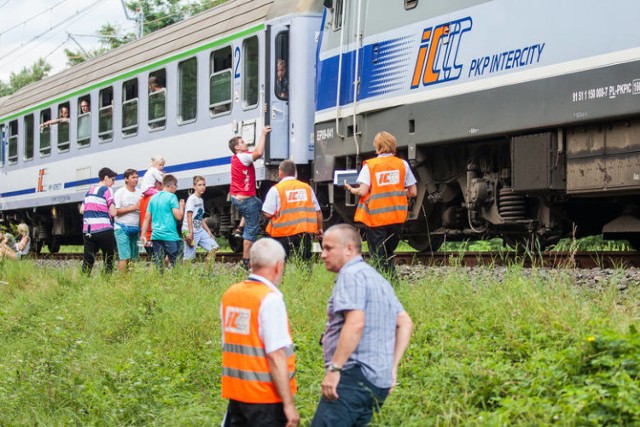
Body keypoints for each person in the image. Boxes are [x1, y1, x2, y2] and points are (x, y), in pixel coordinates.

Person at [311, 224, 413, 427]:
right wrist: (391, 368)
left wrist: (335, 369)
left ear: (349, 248)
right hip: (377, 381)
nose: (323, 255)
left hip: (352, 378)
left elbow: (355, 322)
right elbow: (405, 322)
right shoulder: (376, 278)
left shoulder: (350, 275)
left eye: (328, 248)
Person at [220, 238, 299, 427]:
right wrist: (288, 404)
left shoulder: (231, 295)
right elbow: (275, 355)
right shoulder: (269, 300)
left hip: (237, 396)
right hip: (265, 400)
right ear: (278, 267)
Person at [344, 131, 417, 276]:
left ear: (377, 146)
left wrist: (351, 189)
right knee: (388, 253)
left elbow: (363, 191)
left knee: (378, 255)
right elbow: (413, 192)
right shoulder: (402, 164)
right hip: (397, 217)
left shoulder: (371, 165)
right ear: (393, 146)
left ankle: (385, 284)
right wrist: (397, 193)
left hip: (376, 218)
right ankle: (392, 283)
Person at [228, 125, 271, 269]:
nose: (244, 142)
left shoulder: (236, 158)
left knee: (259, 205)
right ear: (236, 148)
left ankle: (240, 229)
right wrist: (263, 133)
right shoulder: (243, 156)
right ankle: (245, 262)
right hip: (246, 199)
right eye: (241, 142)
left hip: (240, 197)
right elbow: (258, 153)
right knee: (251, 229)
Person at [262, 159, 322, 260]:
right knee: (305, 264)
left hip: (282, 236)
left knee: (281, 265)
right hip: (304, 234)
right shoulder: (306, 188)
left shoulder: (276, 189)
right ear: (295, 173)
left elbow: (268, 213)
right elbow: (318, 211)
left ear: (280, 173)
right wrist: (319, 229)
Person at [140, 174, 185, 271]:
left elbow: (147, 217)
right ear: (172, 185)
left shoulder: (153, 198)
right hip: (170, 235)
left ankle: (160, 281)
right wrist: (181, 206)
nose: (176, 188)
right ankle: (175, 282)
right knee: (175, 262)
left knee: (159, 263)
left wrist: (143, 235)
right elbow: (178, 216)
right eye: (176, 186)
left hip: (156, 235)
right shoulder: (172, 197)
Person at [80, 167, 118, 275]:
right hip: (104, 229)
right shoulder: (107, 190)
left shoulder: (89, 191)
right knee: (108, 258)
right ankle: (106, 281)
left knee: (88, 259)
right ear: (106, 178)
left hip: (88, 231)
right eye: (113, 180)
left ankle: (84, 279)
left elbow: (82, 210)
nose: (113, 183)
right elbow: (113, 212)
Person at [182, 176, 219, 264]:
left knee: (214, 248)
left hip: (199, 230)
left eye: (204, 185)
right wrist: (190, 233)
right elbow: (189, 215)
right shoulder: (192, 199)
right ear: (194, 186)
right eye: (199, 185)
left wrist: (208, 231)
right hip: (189, 231)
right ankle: (182, 274)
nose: (202, 187)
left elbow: (200, 217)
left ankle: (207, 274)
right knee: (188, 258)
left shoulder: (200, 200)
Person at [114, 168, 142, 272]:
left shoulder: (140, 192)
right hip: (121, 226)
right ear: (126, 179)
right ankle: (123, 281)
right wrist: (133, 207)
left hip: (135, 227)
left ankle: (131, 279)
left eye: (137, 177)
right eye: (133, 177)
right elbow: (115, 211)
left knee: (134, 257)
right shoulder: (120, 192)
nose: (136, 180)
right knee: (124, 256)